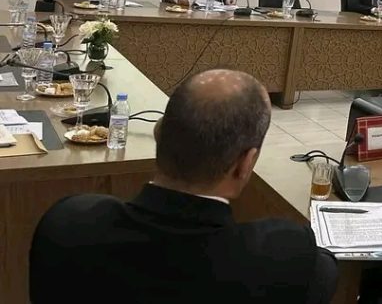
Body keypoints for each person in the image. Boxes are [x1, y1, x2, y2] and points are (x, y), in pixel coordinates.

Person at [30, 69, 337, 303]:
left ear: (158, 135)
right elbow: (325, 271)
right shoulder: (285, 257)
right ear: (245, 164)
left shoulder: (68, 224)